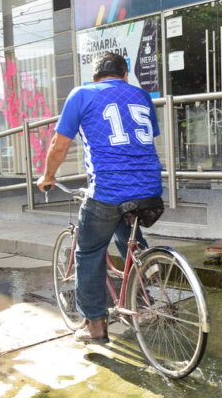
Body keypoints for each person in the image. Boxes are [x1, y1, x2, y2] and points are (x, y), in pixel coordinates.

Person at [37, 52, 162, 344]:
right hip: (151, 188)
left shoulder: (82, 94)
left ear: (94, 76)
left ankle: (94, 324)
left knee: (89, 252)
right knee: (126, 233)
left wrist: (48, 176)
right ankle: (143, 283)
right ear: (125, 75)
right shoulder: (142, 96)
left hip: (108, 189)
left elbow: (58, 145)